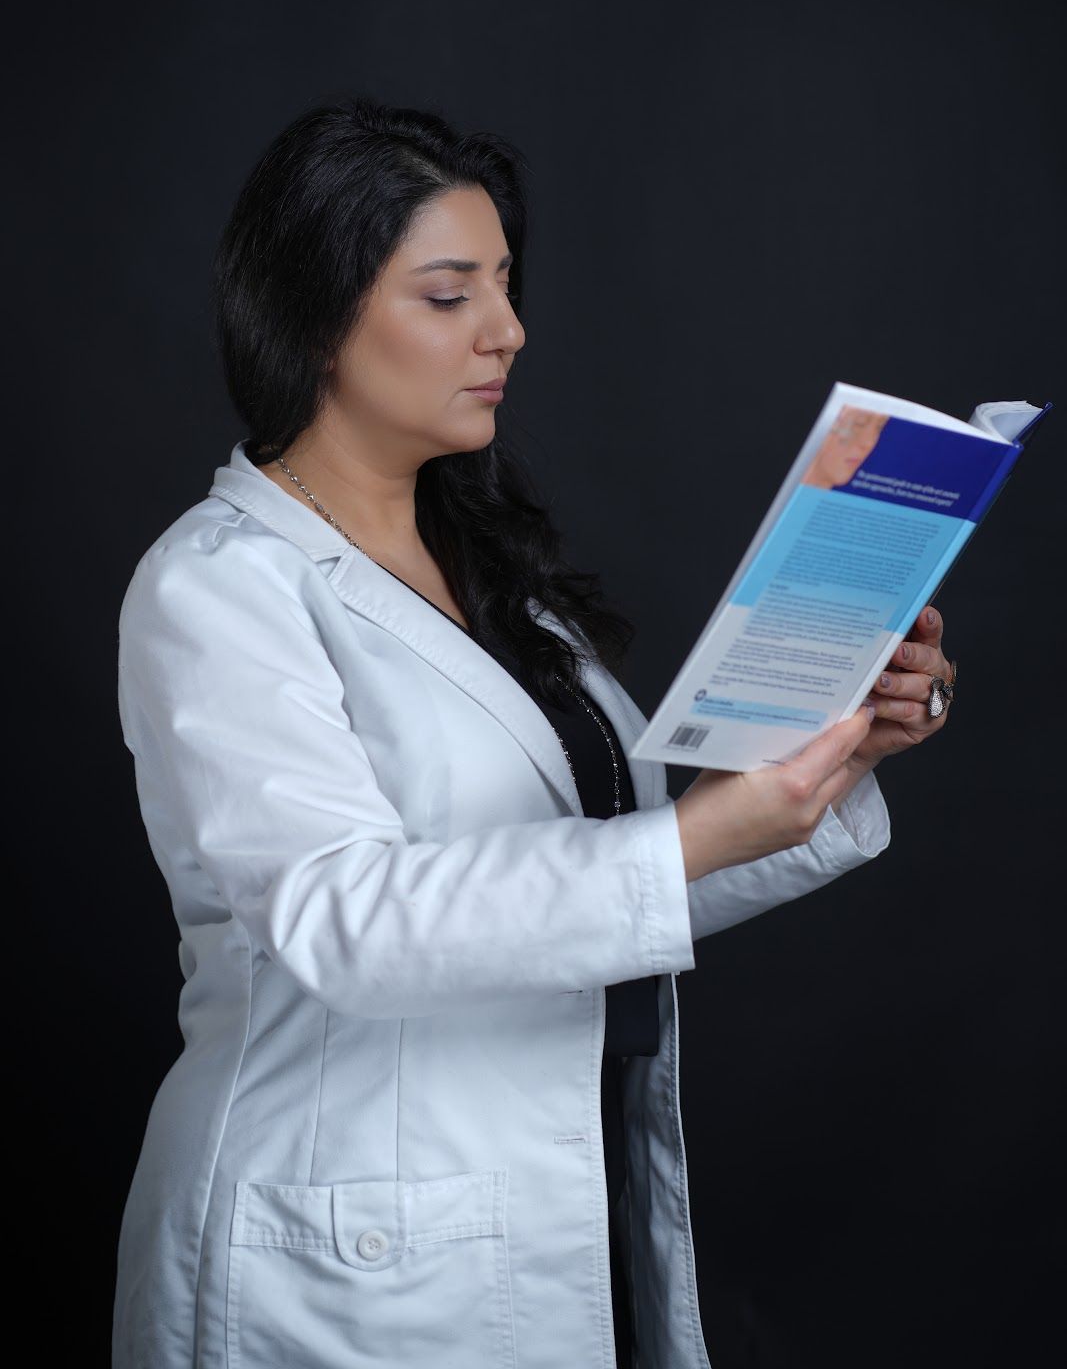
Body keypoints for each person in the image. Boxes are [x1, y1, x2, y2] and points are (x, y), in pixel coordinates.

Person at [112, 96, 958, 1369]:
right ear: (315, 314)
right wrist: (680, 842)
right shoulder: (218, 584)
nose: (508, 331)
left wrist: (821, 766)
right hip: (342, 1251)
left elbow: (606, 891)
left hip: (549, 1208)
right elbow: (345, 918)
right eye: (449, 295)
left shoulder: (495, 578)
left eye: (504, 284)